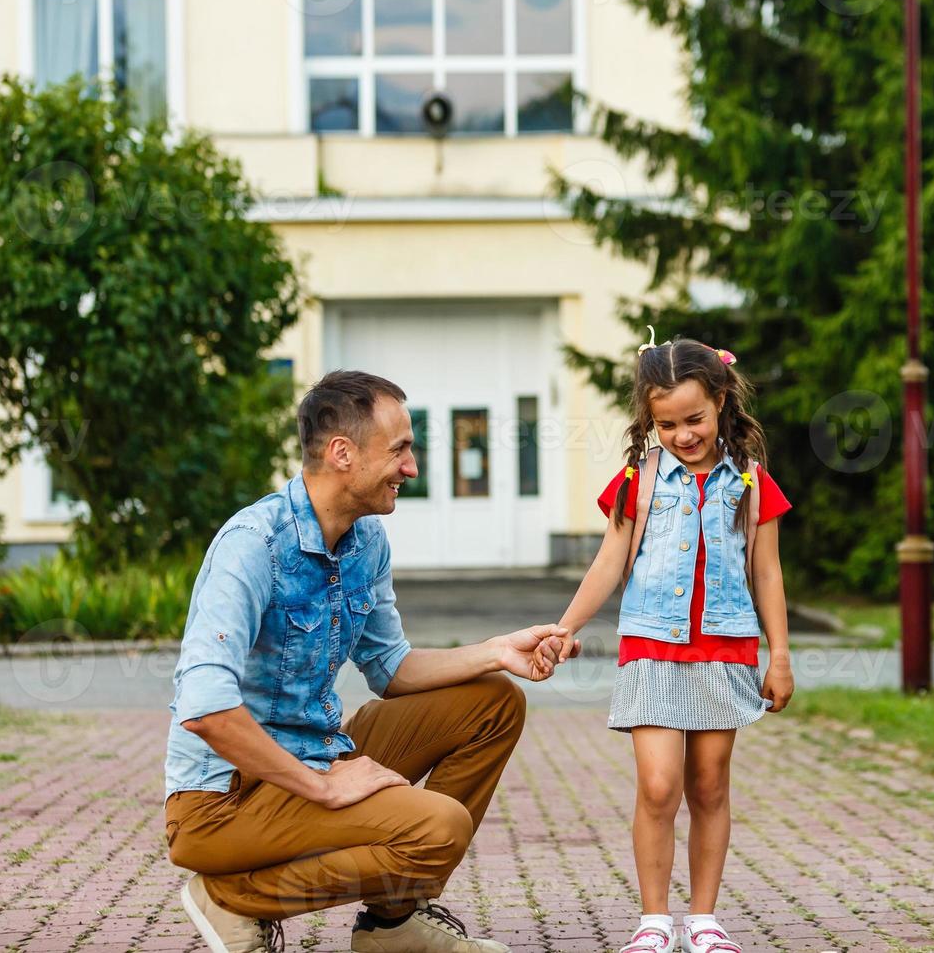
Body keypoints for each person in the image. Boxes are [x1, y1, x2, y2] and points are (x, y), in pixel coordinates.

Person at [163, 370, 580, 953]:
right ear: (342, 454)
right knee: (440, 828)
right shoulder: (252, 545)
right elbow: (205, 709)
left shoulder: (365, 542)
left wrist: (495, 652)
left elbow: (392, 668)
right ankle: (231, 895)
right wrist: (322, 787)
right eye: (401, 449)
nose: (412, 468)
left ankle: (392, 925)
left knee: (492, 701)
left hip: (316, 757)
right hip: (222, 802)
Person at [535, 333, 794, 953]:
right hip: (651, 648)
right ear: (650, 420)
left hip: (726, 650)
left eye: (695, 419)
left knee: (709, 785)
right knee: (658, 786)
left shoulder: (752, 483)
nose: (683, 434)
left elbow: (767, 573)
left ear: (723, 401)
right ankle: (655, 920)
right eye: (667, 423)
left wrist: (779, 655)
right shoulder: (638, 481)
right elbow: (607, 564)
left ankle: (703, 919)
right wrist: (565, 628)